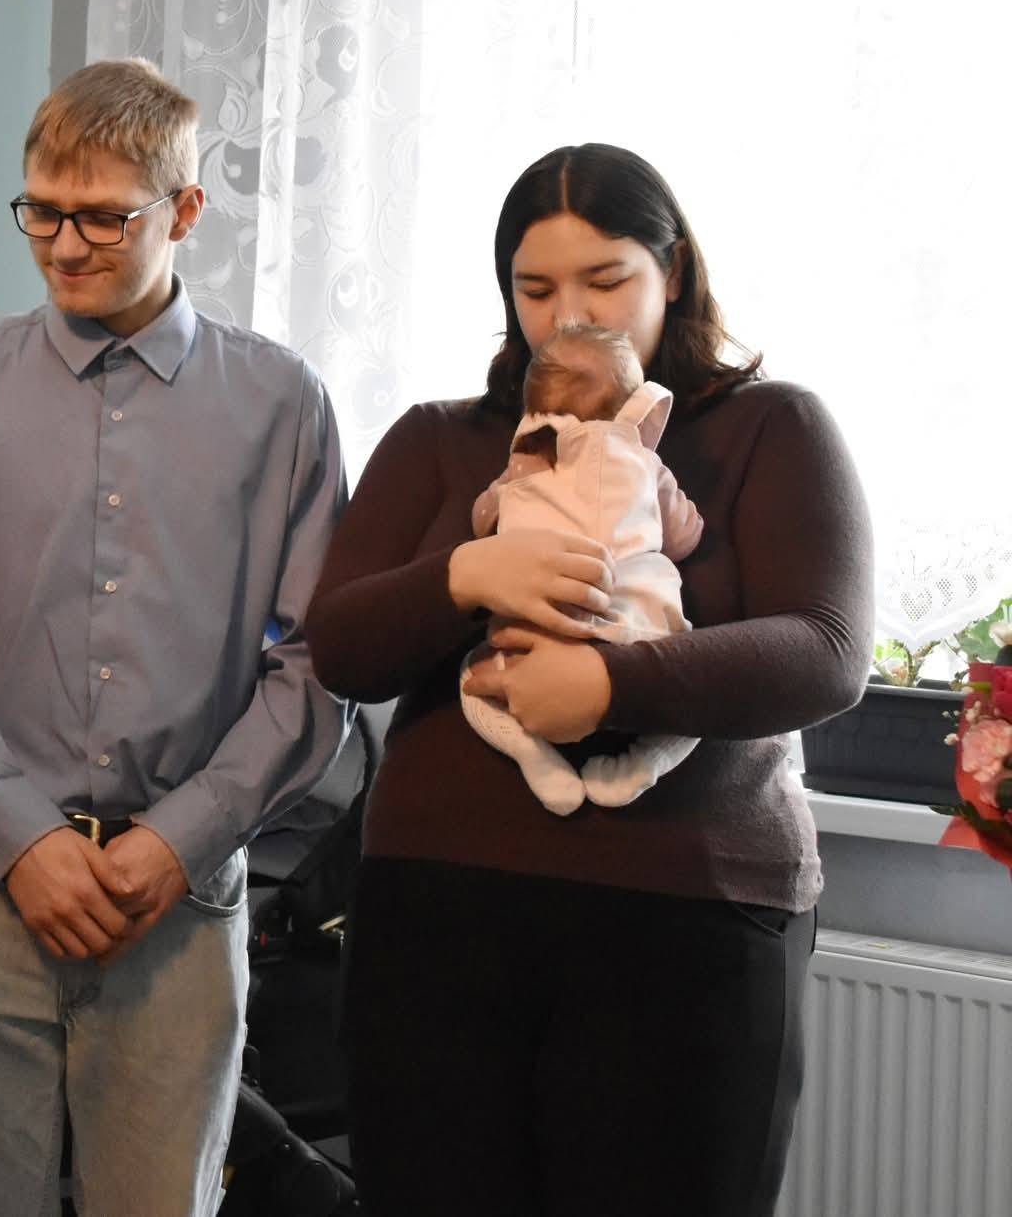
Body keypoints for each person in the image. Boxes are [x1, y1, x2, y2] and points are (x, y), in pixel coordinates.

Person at [305, 143, 872, 1217]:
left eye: (604, 279)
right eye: (534, 289)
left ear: (674, 272)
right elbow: (338, 643)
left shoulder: (770, 428)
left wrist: (613, 685)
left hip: (687, 922)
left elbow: (827, 647)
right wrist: (467, 573)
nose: (567, 313)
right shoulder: (442, 439)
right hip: (438, 915)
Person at [0, 59, 348, 1217]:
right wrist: (23, 838)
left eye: (104, 218)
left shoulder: (281, 402)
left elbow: (315, 664)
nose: (64, 247)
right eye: (41, 211)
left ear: (184, 209)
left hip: (177, 902)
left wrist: (178, 839)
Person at [459, 322, 705, 813]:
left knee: (473, 682)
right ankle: (643, 764)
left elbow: (482, 520)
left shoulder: (524, 464)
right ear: (633, 407)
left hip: (535, 638)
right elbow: (682, 538)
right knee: (695, 703)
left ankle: (534, 756)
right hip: (636, 634)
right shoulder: (644, 462)